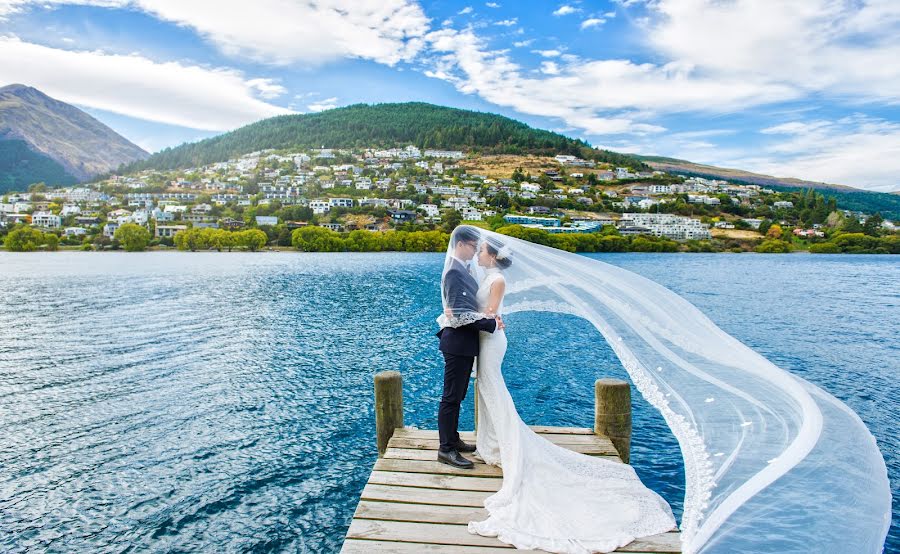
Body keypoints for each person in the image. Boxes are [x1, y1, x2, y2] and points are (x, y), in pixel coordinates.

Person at [460, 231, 677, 553]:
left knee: (493, 388)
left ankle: (506, 444)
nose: (477, 255)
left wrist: (461, 318)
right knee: (486, 388)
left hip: (492, 341)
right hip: (486, 339)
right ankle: (492, 444)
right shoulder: (486, 275)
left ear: (491, 256)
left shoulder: (498, 281)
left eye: (481, 252)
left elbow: (490, 315)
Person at [435, 226, 503, 469]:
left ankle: (453, 439)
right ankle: (445, 449)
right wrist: (491, 323)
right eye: (473, 247)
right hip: (457, 343)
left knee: (458, 395)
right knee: (451, 397)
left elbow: (465, 309)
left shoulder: (462, 270)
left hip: (464, 343)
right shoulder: (454, 272)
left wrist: (486, 316)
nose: (475, 252)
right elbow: (458, 318)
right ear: (461, 243)